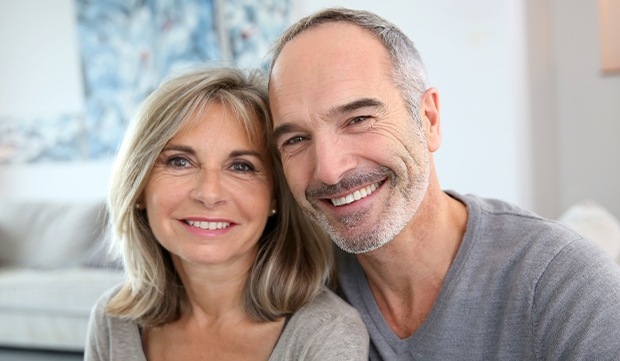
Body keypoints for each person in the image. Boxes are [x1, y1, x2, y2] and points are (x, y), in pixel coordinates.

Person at [267, 7, 620, 360]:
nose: (328, 170)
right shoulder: (298, 288)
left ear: (429, 119)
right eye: (296, 140)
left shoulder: (566, 286)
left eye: (358, 119)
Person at [84, 67, 369, 361]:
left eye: (241, 167)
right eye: (180, 162)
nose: (209, 194)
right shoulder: (113, 322)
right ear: (139, 185)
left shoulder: (325, 333)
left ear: (275, 197)